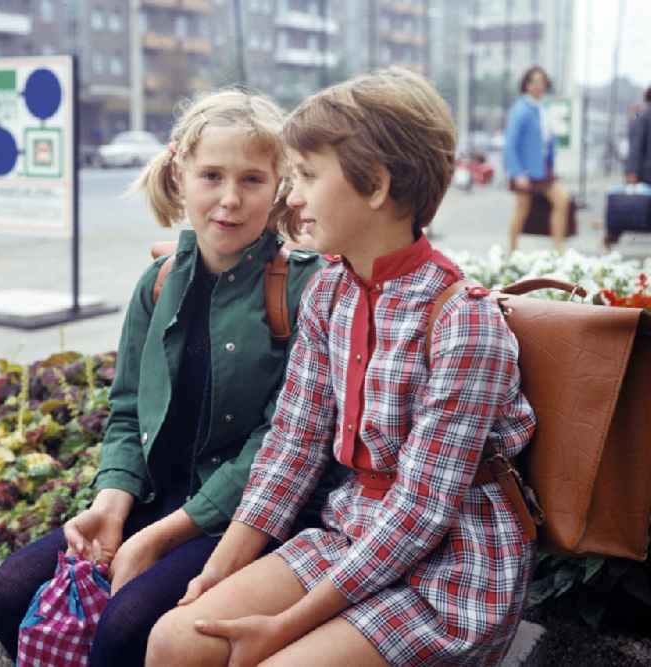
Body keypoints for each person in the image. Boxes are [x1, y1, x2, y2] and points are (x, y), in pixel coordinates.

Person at [146, 67, 537, 667]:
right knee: (176, 637)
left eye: (305, 175)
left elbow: (421, 512)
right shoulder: (331, 290)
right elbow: (294, 444)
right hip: (347, 534)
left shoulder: (465, 322)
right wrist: (217, 572)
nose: (291, 196)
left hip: (450, 575)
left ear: (376, 185)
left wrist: (284, 627)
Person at [0, 89, 323, 666]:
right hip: (157, 500)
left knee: (127, 628)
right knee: (10, 593)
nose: (230, 200)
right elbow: (126, 411)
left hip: (245, 518)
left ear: (280, 187)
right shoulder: (159, 281)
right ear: (180, 174)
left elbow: (277, 448)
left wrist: (161, 536)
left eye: (252, 180)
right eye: (212, 176)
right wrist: (112, 502)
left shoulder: (301, 288)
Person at [504, 65, 570, 252]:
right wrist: (517, 173)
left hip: (542, 170)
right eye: (534, 81)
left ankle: (559, 250)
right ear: (526, 85)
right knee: (522, 209)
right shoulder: (521, 109)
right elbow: (510, 144)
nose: (539, 85)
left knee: (562, 200)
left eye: (542, 82)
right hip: (525, 171)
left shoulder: (542, 108)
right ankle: (512, 253)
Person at [625, 86, 651, 186]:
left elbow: (635, 145)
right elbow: (636, 144)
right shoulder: (645, 116)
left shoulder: (643, 115)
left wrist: (632, 172)